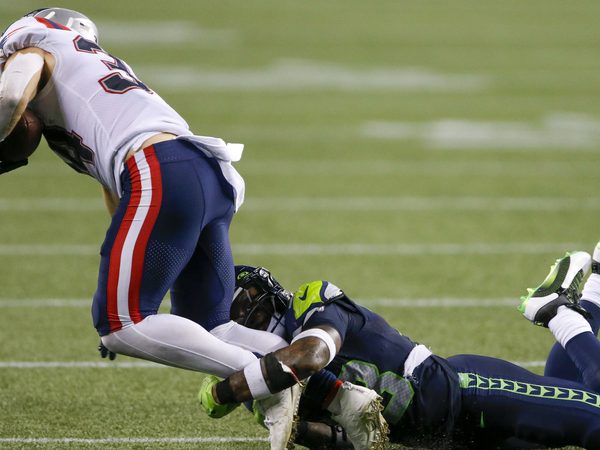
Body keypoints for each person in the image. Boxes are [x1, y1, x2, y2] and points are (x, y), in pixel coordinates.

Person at [0, 8, 299, 448]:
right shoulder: (90, 73)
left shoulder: (33, 48)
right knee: (210, 325)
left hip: (161, 172)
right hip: (200, 172)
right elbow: (114, 189)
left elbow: (10, 99)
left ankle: (268, 380)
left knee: (120, 324)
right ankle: (338, 390)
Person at [200, 250, 600, 449]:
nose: (244, 318)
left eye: (246, 304)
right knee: (580, 399)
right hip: (451, 440)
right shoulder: (266, 386)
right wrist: (296, 430)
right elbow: (348, 440)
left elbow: (311, 355)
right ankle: (594, 295)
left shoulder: (309, 302)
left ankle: (556, 312)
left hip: (466, 391)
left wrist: (223, 392)